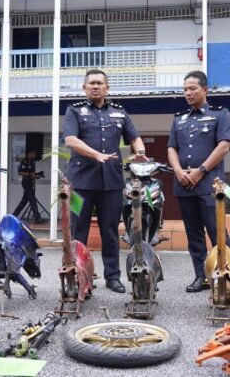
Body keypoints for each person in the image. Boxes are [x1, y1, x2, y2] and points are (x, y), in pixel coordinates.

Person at [64, 69, 148, 294]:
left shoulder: (120, 113)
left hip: (111, 183)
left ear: (107, 87)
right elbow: (71, 140)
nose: (95, 86)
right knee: (77, 230)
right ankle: (77, 275)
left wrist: (139, 150)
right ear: (84, 88)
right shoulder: (74, 111)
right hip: (79, 183)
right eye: (91, 83)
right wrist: (96, 154)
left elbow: (134, 137)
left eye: (100, 83)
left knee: (109, 231)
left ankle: (113, 277)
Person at [167, 71, 230, 293]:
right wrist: (177, 171)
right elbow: (172, 148)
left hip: (209, 185)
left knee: (217, 232)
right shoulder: (179, 119)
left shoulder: (220, 115)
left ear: (205, 90)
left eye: (192, 88)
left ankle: (224, 275)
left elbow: (223, 146)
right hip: (184, 184)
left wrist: (201, 170)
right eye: (185, 89)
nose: (187, 93)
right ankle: (201, 276)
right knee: (193, 233)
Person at [12, 148, 43, 223]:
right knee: (32, 200)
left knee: (24, 201)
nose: (35, 155)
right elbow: (20, 172)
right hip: (26, 182)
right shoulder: (24, 161)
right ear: (30, 153)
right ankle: (37, 218)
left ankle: (14, 216)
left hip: (30, 182)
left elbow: (32, 174)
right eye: (34, 153)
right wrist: (29, 174)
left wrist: (36, 176)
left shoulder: (32, 162)